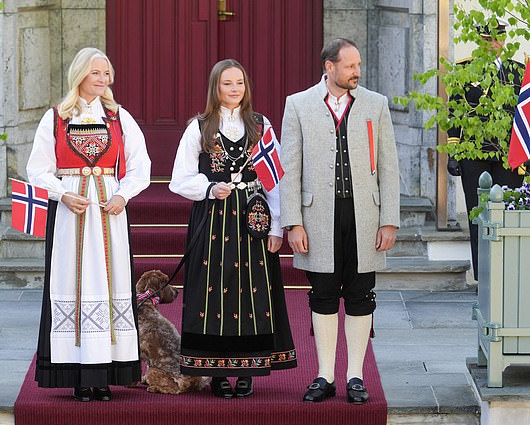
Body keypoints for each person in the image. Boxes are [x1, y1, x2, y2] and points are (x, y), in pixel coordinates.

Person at [279, 38, 400, 404]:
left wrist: (389, 220)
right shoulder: (298, 105)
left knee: (362, 295)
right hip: (318, 218)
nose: (357, 72)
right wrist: (293, 223)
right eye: (350, 66)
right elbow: (290, 169)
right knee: (324, 296)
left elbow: (390, 167)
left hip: (365, 215)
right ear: (329, 67)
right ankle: (325, 375)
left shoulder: (375, 104)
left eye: (358, 65)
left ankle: (356, 377)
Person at [27, 47, 151, 401]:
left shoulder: (118, 116)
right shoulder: (56, 118)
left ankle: (107, 374)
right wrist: (61, 194)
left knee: (110, 280)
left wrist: (123, 196)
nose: (103, 79)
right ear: (80, 74)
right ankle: (80, 374)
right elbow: (37, 169)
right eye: (96, 72)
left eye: (106, 73)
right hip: (72, 212)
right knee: (73, 280)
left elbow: (141, 165)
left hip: (108, 211)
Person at [169, 59, 297, 399]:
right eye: (227, 83)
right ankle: (217, 372)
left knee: (252, 291)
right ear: (216, 87)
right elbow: (178, 180)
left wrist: (277, 228)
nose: (235, 89)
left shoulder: (260, 125)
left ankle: (247, 369)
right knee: (213, 292)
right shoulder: (200, 126)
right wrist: (209, 188)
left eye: (239, 82)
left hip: (251, 219)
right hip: (213, 218)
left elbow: (276, 180)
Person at [446, 22, 524, 281]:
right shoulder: (464, 70)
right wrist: (453, 150)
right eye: (487, 40)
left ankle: (507, 277)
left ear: (504, 39)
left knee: (509, 216)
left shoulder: (518, 71)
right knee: (478, 216)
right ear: (479, 40)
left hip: (507, 156)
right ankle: (484, 278)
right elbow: (455, 111)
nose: (493, 44)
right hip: (474, 154)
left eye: (497, 39)